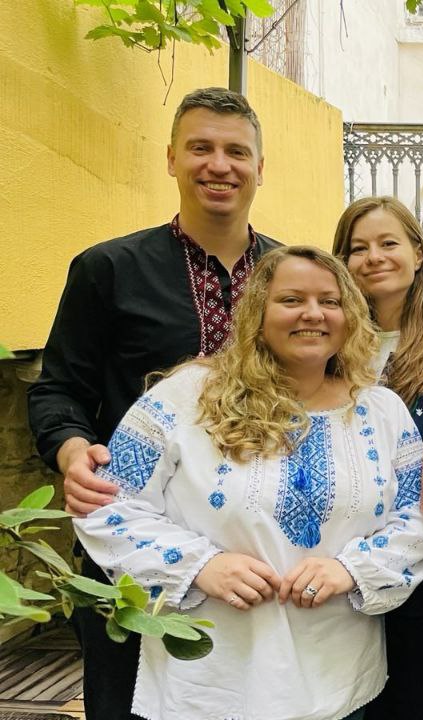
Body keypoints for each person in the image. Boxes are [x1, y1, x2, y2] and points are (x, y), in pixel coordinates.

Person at [72, 245, 423, 720]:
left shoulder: (381, 411)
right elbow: (107, 505)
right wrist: (200, 566)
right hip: (209, 678)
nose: (313, 313)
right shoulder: (186, 398)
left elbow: (421, 517)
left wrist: (352, 569)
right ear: (257, 312)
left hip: (334, 677)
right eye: (291, 299)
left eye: (330, 301)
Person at [27, 86, 280, 720]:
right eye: (200, 148)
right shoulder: (107, 269)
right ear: (171, 158)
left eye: (235, 152)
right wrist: (70, 451)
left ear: (258, 168)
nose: (218, 165)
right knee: (130, 700)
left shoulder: (293, 278)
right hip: (136, 538)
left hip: (265, 547)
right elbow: (59, 387)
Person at [331, 196, 423, 719]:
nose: (373, 257)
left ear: (418, 254)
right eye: (357, 248)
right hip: (339, 572)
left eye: (388, 243)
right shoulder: (326, 348)